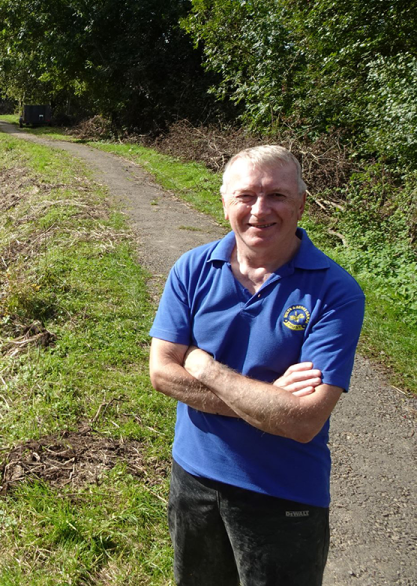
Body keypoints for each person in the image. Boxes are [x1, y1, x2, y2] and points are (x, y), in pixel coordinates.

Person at [149, 145, 365, 586]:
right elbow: (161, 373)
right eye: (246, 196)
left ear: (302, 202)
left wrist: (204, 366)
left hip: (283, 494)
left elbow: (303, 422)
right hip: (192, 478)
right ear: (225, 200)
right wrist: (269, 404)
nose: (260, 210)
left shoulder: (336, 293)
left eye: (278, 196)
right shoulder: (192, 268)